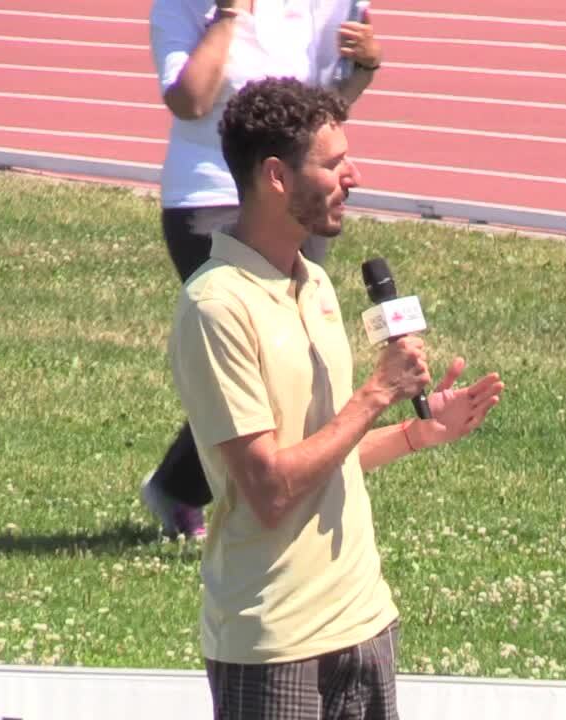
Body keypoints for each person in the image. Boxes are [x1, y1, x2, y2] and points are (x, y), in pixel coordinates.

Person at [169, 77, 503, 718]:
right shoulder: (216, 308)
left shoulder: (315, 280)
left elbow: (323, 453)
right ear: (275, 176)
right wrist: (378, 391)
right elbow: (269, 488)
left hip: (365, 621)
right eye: (332, 162)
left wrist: (417, 432)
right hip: (277, 642)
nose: (354, 175)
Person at [143, 0, 385, 538]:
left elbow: (319, 114)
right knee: (248, 348)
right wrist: (228, 16)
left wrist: (364, 66)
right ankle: (257, 483)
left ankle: (187, 486)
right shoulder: (180, 7)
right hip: (206, 195)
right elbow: (190, 99)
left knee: (293, 352)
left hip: (296, 189)